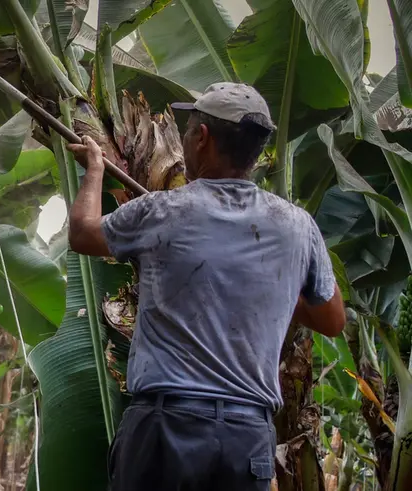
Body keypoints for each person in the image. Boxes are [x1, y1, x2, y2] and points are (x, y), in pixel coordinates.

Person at [66, 82, 346, 491]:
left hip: (166, 429)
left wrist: (94, 167)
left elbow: (82, 234)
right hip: (245, 438)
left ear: (201, 138)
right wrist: (271, 282)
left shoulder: (163, 211)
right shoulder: (297, 227)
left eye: (188, 127)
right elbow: (332, 319)